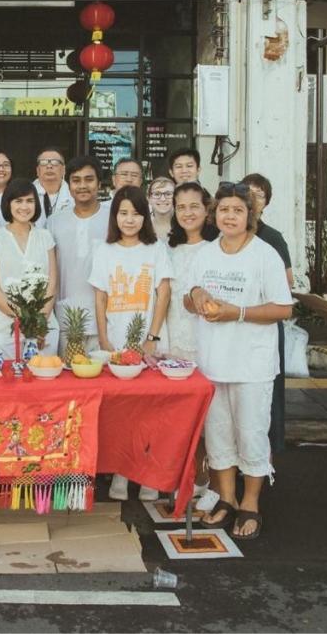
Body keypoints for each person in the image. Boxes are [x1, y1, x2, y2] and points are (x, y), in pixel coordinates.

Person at [184, 182, 294, 541]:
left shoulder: (264, 255)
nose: (229, 216)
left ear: (250, 216)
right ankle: (227, 499)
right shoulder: (206, 254)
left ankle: (251, 503)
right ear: (214, 214)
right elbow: (188, 300)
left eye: (237, 210)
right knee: (218, 435)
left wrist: (238, 312)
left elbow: (283, 308)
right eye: (224, 210)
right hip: (212, 362)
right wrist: (197, 295)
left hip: (251, 364)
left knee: (251, 433)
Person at [89, 185, 171, 503]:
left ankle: (147, 474)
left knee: (150, 410)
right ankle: (122, 473)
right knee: (121, 411)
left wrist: (151, 338)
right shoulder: (105, 250)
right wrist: (105, 338)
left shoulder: (155, 249)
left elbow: (162, 293)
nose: (129, 219)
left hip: (147, 343)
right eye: (123, 213)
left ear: (145, 217)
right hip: (115, 340)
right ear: (115, 217)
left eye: (136, 213)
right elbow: (100, 297)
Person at [241, 172, 295, 456]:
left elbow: (287, 283)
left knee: (268, 391)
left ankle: (266, 453)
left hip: (265, 322)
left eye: (259, 194)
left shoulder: (272, 238)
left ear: (265, 203)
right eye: (247, 191)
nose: (252, 198)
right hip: (232, 325)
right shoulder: (223, 233)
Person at [0, 178, 58, 359]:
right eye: (18, 201)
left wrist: (39, 322)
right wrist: (25, 321)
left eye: (30, 201)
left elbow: (52, 283)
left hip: (44, 327)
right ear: (8, 204)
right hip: (5, 327)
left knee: (44, 380)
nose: (24, 207)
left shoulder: (45, 237)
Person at [46, 156, 109, 356]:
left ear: (99, 183)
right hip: (67, 320)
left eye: (89, 179)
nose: (82, 185)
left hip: (107, 321)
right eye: (76, 180)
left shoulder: (114, 219)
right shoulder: (54, 222)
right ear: (68, 184)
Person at [163, 182, 217, 362]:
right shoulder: (168, 250)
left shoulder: (217, 249)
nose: (187, 213)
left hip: (207, 339)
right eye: (181, 207)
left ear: (207, 210)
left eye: (194, 206)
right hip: (172, 339)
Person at [32, 147, 73, 227]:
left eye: (55, 162)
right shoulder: (26, 194)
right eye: (43, 162)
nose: (49, 166)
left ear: (64, 170)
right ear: (37, 170)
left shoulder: (74, 196)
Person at [147, 176, 175, 241]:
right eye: (157, 194)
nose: (163, 199)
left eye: (168, 194)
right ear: (149, 199)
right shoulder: (142, 229)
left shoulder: (185, 227)